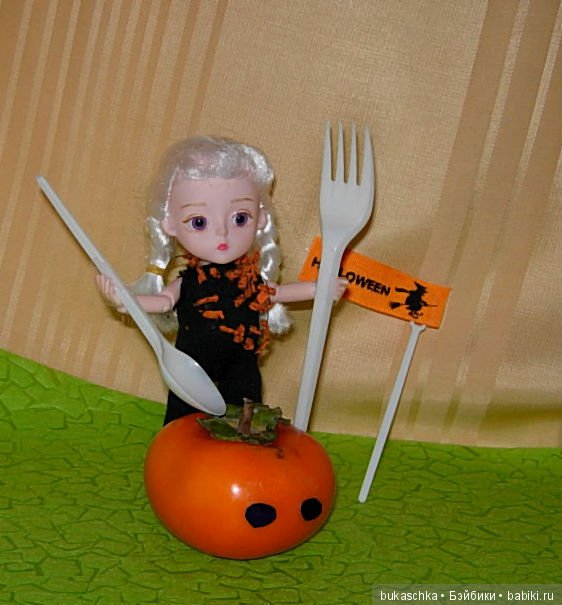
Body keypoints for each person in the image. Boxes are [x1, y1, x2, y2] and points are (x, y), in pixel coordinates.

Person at [98, 136, 344, 424]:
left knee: (244, 416)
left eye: (240, 218)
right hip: (190, 368)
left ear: (260, 218)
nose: (222, 234)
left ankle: (240, 445)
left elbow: (276, 292)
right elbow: (163, 302)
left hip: (241, 367)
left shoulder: (249, 280)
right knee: (181, 419)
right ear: (170, 224)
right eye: (199, 222)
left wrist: (319, 288)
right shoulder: (189, 281)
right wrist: (127, 300)